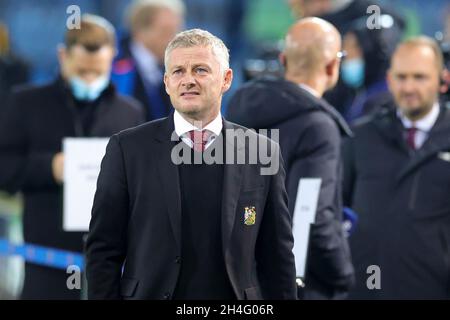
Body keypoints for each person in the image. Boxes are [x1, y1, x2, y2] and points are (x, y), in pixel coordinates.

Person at [86, 29, 297, 300]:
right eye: (178, 72)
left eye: (200, 70)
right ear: (166, 82)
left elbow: (277, 254)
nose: (188, 80)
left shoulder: (261, 150)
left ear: (226, 79)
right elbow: (103, 249)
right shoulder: (127, 149)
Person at [0, 15, 145, 300]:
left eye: (97, 71)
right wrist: (49, 167)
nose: (89, 78)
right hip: (46, 257)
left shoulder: (130, 112)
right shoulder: (26, 103)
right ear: (62, 55)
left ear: (112, 58)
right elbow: (3, 169)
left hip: (110, 257)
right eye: (81, 71)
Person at [226, 18, 354, 299]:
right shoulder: (319, 127)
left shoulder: (237, 109)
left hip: (238, 279)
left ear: (283, 60)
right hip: (295, 284)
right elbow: (311, 218)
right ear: (333, 65)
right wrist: (343, 274)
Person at [343, 36, 450, 299]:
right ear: (389, 80)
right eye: (402, 77)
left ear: (442, 80)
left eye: (420, 77)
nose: (409, 87)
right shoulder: (360, 137)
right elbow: (337, 210)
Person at [111, 0, 184, 121]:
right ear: (140, 30)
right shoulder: (112, 64)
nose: (174, 39)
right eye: (166, 31)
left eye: (177, 31)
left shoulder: (173, 66)